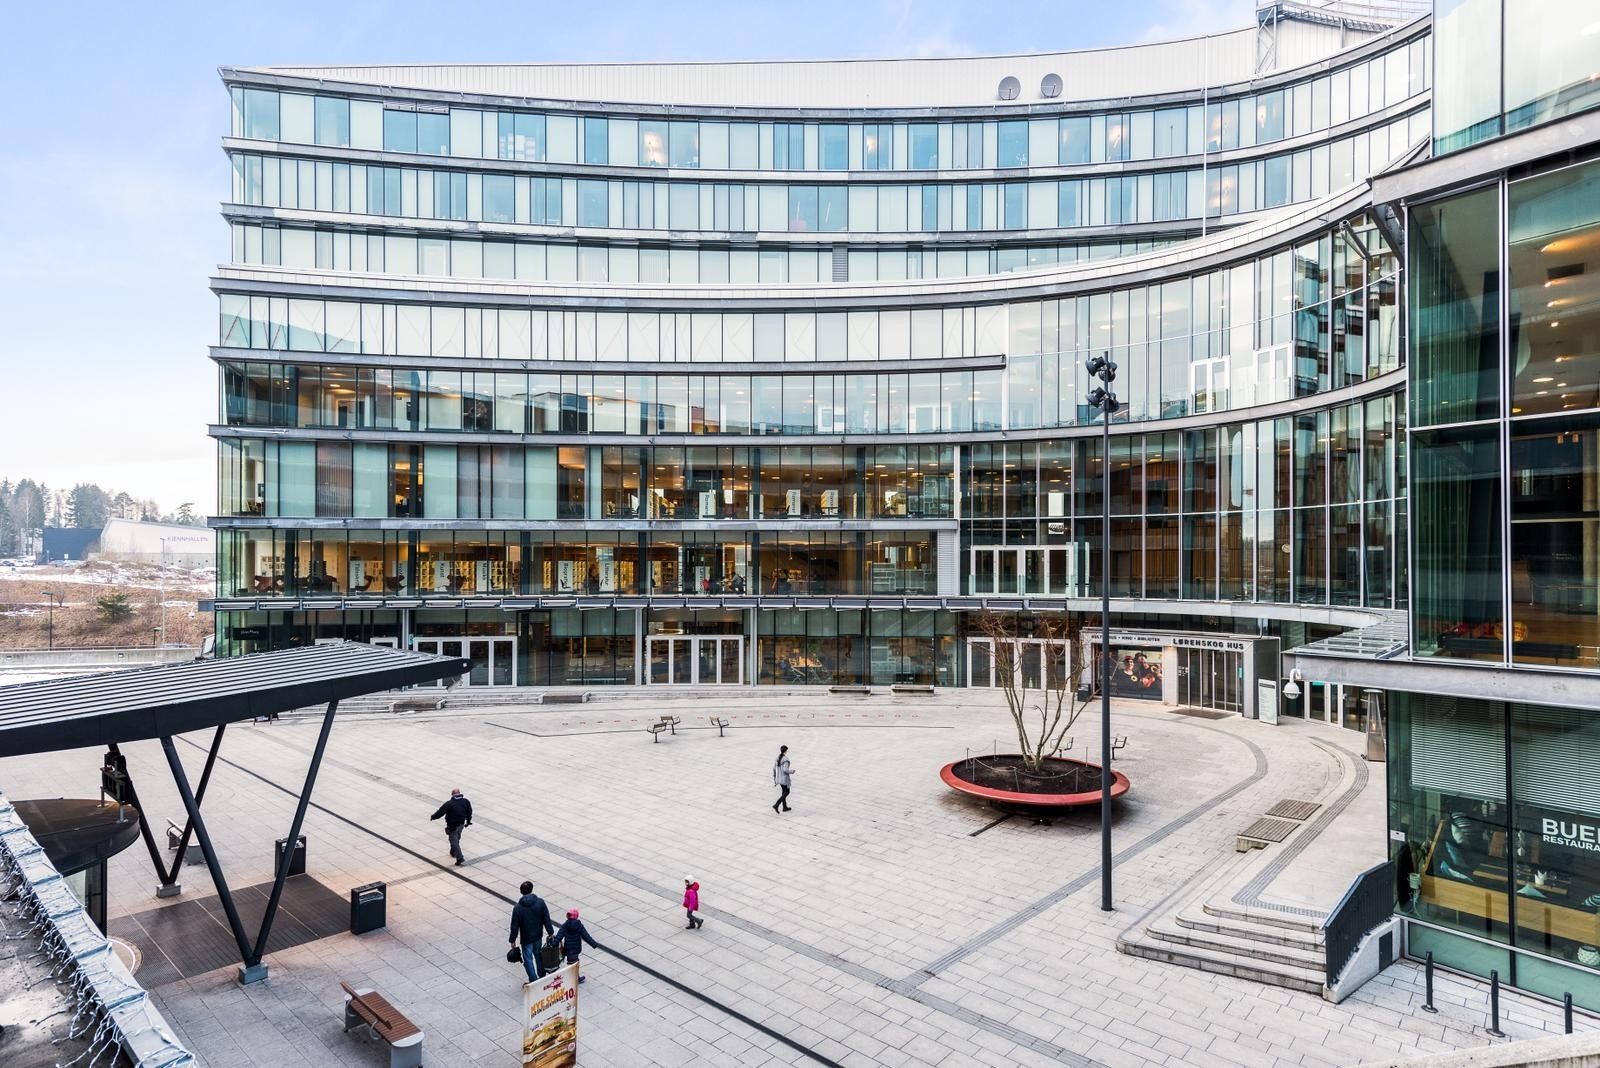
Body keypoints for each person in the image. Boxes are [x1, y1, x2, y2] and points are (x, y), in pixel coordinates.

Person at [509, 881, 555, 982]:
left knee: (528, 959)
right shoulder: (540, 903)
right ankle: (542, 975)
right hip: (538, 935)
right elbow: (546, 919)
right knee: (538, 955)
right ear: (532, 889)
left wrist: (512, 940)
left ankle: (533, 980)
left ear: (521, 892)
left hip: (526, 938)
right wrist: (550, 932)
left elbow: (514, 926)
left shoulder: (518, 908)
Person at [430, 788, 472, 865]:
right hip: (461, 824)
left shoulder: (449, 803)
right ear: (459, 794)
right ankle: (453, 851)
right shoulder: (466, 801)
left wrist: (433, 817)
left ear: (452, 794)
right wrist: (468, 821)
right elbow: (469, 812)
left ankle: (460, 858)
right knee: (457, 838)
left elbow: (440, 812)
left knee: (454, 841)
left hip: (452, 826)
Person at [555, 908, 599, 983]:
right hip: (576, 949)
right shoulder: (579, 925)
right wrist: (594, 944)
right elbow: (586, 936)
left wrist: (553, 943)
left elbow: (559, 936)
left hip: (568, 949)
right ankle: (574, 979)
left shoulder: (565, 925)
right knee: (574, 963)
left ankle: (574, 978)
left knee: (571, 963)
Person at [772, 745, 793, 814]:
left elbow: (774, 768)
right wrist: (791, 771)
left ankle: (784, 807)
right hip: (784, 779)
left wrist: (775, 778)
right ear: (786, 751)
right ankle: (777, 804)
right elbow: (785, 770)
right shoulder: (785, 760)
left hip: (779, 778)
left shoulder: (777, 758)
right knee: (787, 792)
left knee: (784, 792)